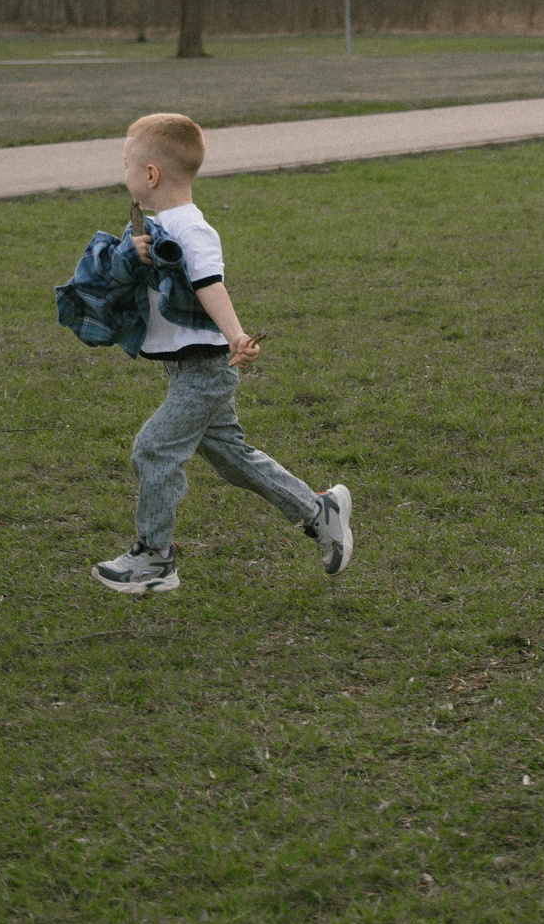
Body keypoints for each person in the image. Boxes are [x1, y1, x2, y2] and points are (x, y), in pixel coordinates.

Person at [80, 112, 351, 595]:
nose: (122, 174)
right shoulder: (154, 227)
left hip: (207, 370)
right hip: (187, 369)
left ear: (150, 174)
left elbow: (210, 283)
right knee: (232, 459)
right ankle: (318, 511)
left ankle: (155, 559)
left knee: (154, 447)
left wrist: (236, 336)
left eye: (126, 165)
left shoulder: (191, 228)